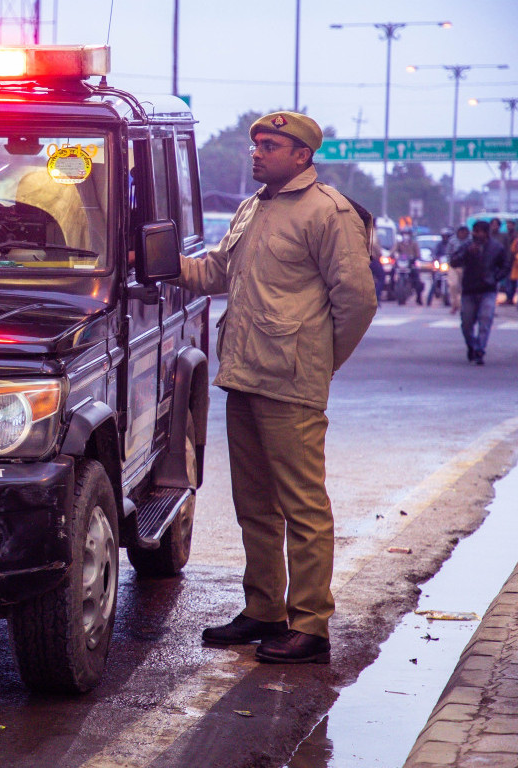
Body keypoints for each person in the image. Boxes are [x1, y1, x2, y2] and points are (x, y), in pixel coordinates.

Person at [178, 111, 376, 664]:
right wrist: (162, 264)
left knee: (303, 506)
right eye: (256, 143)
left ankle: (310, 624)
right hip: (244, 375)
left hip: (291, 382)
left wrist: (319, 361)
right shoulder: (253, 206)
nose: (257, 152)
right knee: (255, 505)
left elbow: (357, 301)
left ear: (302, 155)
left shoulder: (329, 212)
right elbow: (219, 272)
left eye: (271, 145)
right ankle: (265, 609)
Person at [451, 221, 510, 364]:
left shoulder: (496, 248)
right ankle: (471, 345)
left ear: (486, 233)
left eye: (479, 232)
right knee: (466, 323)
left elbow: (505, 265)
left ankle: (480, 350)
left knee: (485, 319)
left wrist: (495, 278)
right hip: (469, 289)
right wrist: (467, 253)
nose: (476, 234)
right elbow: (453, 261)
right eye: (474, 231)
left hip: (487, 290)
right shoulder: (466, 246)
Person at [445, 225, 470, 314]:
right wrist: (449, 263)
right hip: (454, 267)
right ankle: (454, 305)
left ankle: (461, 306)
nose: (463, 234)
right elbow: (448, 253)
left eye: (464, 232)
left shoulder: (470, 241)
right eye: (461, 232)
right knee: (453, 285)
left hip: (466, 267)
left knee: (463, 288)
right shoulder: (452, 240)